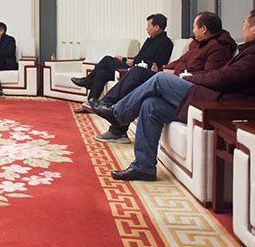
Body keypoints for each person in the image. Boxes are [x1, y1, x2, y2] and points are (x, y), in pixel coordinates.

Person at [90, 9, 255, 181]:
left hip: (217, 102)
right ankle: (143, 167)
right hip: (210, 96)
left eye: (245, 22)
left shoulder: (247, 53)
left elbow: (222, 78)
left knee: (160, 79)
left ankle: (117, 114)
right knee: (151, 104)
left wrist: (188, 78)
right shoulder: (241, 50)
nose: (242, 25)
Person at [92, 11, 236, 143]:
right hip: (176, 77)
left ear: (203, 29)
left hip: (188, 85)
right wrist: (165, 69)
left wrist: (175, 74)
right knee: (137, 74)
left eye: (194, 27)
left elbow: (209, 77)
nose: (193, 31)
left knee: (140, 75)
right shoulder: (197, 44)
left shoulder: (219, 48)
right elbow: (181, 61)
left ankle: (110, 109)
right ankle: (113, 119)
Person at [71, 13, 173, 112]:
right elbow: (138, 57)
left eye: (149, 25)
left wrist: (134, 62)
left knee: (107, 59)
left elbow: (159, 63)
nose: (147, 28)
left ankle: (88, 81)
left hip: (140, 72)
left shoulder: (166, 43)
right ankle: (90, 105)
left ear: (157, 27)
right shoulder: (150, 40)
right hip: (134, 67)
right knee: (102, 72)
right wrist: (124, 59)